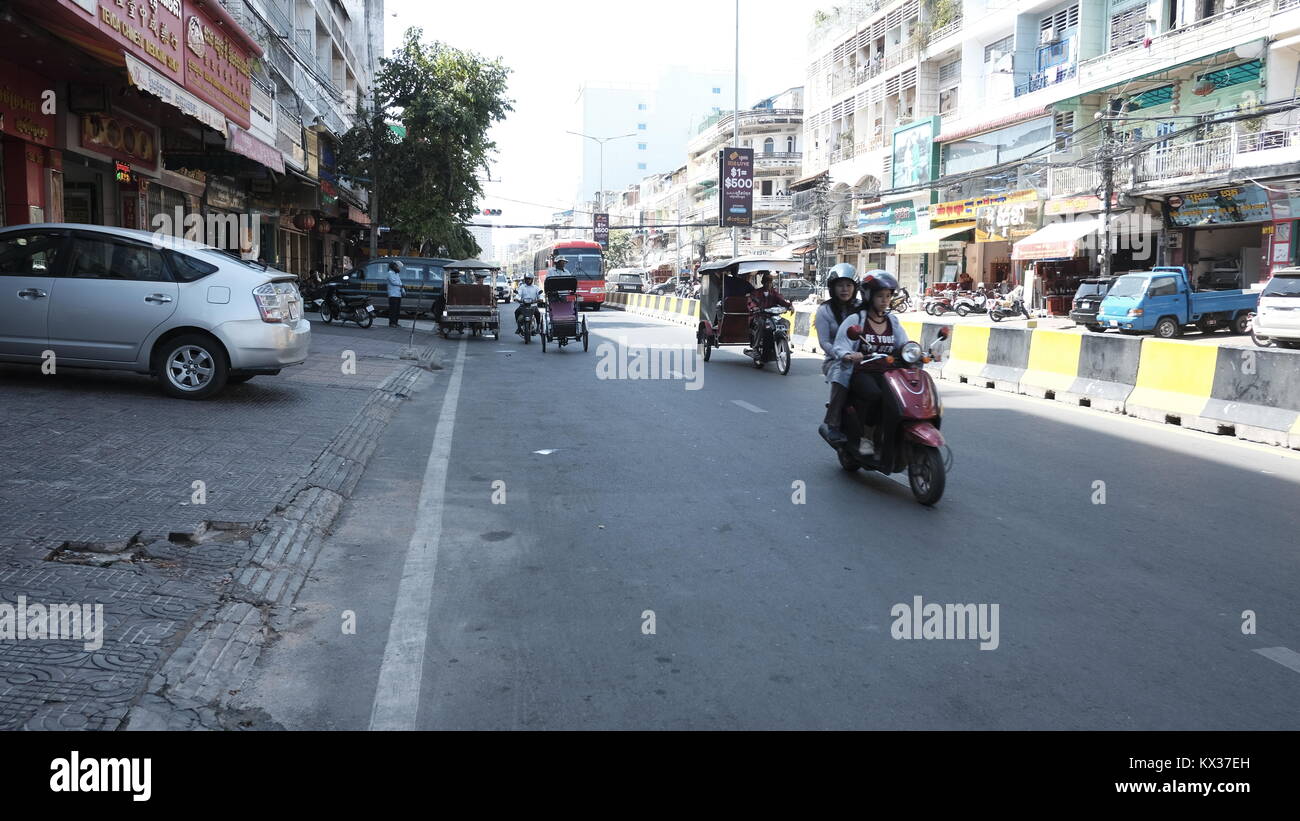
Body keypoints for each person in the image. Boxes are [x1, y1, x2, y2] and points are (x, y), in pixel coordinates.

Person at [833, 271, 910, 462]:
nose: (884, 300)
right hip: (862, 371)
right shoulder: (856, 320)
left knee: (902, 399)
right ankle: (867, 438)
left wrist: (914, 352)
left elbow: (903, 344)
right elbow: (840, 345)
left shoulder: (892, 321)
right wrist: (850, 355)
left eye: (888, 296)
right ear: (868, 296)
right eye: (879, 296)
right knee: (875, 395)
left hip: (888, 371)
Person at [816, 263, 862, 446]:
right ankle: (833, 422)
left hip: (863, 356)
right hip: (835, 359)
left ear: (855, 287)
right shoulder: (825, 310)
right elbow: (824, 342)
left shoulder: (862, 307)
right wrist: (841, 354)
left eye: (849, 285)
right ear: (832, 288)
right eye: (840, 285)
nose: (844, 289)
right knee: (843, 370)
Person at [747, 271, 793, 350]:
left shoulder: (774, 293)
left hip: (772, 316)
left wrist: (789, 306)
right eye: (766, 282)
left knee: (786, 322)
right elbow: (751, 302)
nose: (768, 284)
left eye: (770, 282)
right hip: (759, 316)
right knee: (760, 324)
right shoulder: (756, 292)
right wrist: (754, 307)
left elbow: (781, 300)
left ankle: (784, 342)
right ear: (763, 282)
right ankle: (756, 348)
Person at [386, 260, 405, 327]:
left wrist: (403, 290)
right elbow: (393, 282)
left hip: (398, 294)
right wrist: (401, 285)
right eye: (398, 267)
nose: (399, 269)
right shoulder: (390, 273)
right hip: (393, 294)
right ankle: (392, 323)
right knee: (393, 309)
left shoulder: (397, 274)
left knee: (397, 310)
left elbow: (400, 283)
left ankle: (396, 322)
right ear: (394, 267)